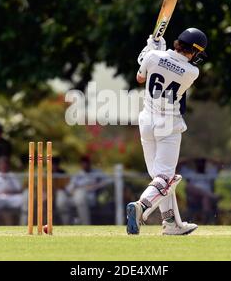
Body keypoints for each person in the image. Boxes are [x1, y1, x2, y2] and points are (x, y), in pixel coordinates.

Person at [126, 28, 208, 235]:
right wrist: (154, 52)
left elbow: (140, 78)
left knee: (159, 179)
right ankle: (141, 206)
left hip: (146, 122)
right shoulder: (192, 72)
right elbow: (172, 68)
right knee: (165, 177)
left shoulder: (154, 57)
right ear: (194, 51)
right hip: (168, 124)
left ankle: (171, 224)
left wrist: (149, 49)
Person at [56, 156, 109, 225]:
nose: (85, 165)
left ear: (89, 163)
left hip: (89, 198)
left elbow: (108, 181)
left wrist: (96, 186)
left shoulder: (96, 172)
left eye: (86, 162)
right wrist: (72, 190)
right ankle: (66, 225)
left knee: (80, 195)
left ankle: (85, 225)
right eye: (83, 163)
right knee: (61, 199)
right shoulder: (77, 175)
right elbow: (69, 189)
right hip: (75, 197)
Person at [0, 156, 27, 225]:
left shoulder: (12, 175)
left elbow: (20, 190)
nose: (3, 166)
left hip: (12, 199)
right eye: (2, 164)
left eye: (5, 164)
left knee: (26, 198)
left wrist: (10, 192)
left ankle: (24, 224)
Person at [181, 158, 221, 224]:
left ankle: (205, 222)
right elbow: (177, 166)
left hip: (206, 199)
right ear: (195, 164)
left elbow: (220, 165)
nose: (200, 165)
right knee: (188, 186)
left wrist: (209, 159)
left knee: (205, 199)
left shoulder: (210, 173)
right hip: (194, 197)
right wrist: (189, 159)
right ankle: (211, 196)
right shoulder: (190, 173)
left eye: (202, 163)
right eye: (198, 163)